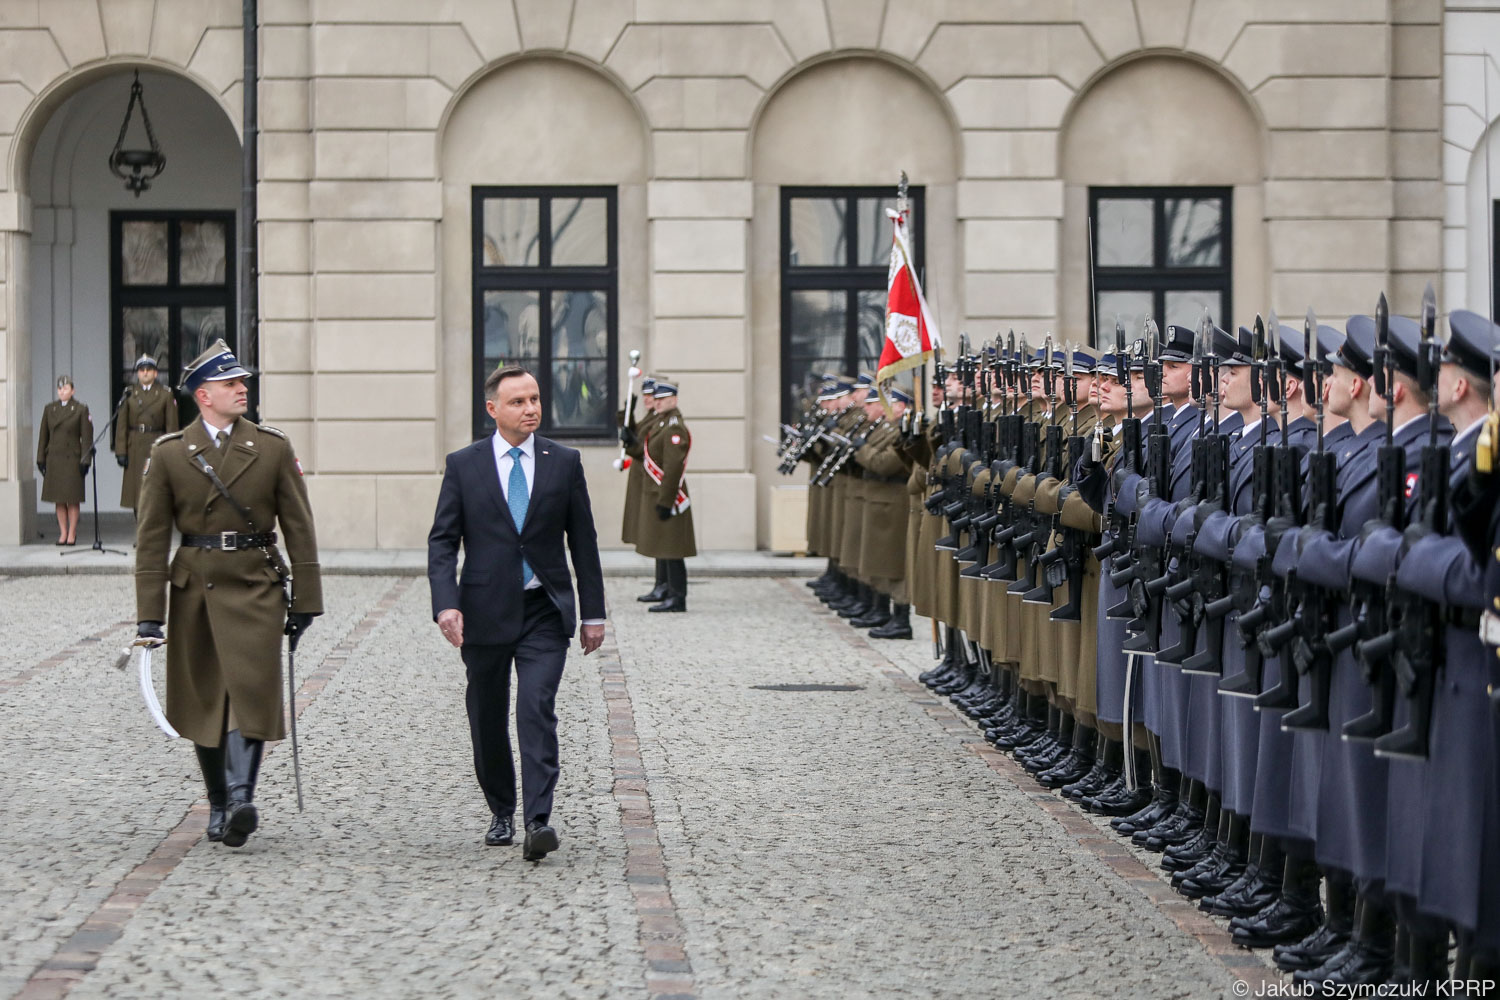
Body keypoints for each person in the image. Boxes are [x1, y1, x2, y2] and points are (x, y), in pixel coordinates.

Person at [134, 339, 322, 849]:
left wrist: (306, 597)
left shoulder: (272, 446)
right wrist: (149, 617)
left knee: (251, 690)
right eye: (231, 383)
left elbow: (299, 527)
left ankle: (241, 798)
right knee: (204, 701)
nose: (243, 389)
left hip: (255, 582)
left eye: (243, 382)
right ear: (203, 395)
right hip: (195, 587)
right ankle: (218, 801)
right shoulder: (170, 453)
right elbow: (151, 541)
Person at [428, 364, 606, 861]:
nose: (530, 409)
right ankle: (502, 810)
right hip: (483, 611)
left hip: (544, 611)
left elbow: (584, 543)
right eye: (518, 402)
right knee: (487, 715)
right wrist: (445, 603)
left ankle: (538, 819)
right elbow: (442, 541)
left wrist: (593, 613)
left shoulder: (563, 461)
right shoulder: (465, 465)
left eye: (534, 399)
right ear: (493, 410)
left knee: (535, 707)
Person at [633, 379, 695, 612]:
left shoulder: (674, 427)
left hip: (670, 495)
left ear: (673, 400)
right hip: (661, 493)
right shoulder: (663, 422)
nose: (656, 403)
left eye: (661, 399)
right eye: (655, 399)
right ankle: (669, 591)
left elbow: (673, 467)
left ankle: (677, 598)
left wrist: (666, 501)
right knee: (666, 545)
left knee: (673, 548)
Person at [114, 355, 179, 512]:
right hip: (135, 446)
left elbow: (172, 426)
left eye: (148, 370)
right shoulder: (129, 393)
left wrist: (172, 451)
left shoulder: (165, 394)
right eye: (141, 370)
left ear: (155, 373)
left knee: (155, 491)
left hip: (156, 444)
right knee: (137, 494)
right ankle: (140, 531)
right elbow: (121, 425)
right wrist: (121, 451)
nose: (145, 373)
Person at [37, 375, 92, 545]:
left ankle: (72, 533)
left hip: (72, 460)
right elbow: (43, 436)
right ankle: (63, 532)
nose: (62, 391)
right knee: (59, 499)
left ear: (72, 390)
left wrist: (85, 460)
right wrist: (41, 459)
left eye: (65, 388)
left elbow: (87, 438)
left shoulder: (80, 409)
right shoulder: (50, 409)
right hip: (54, 458)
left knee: (72, 498)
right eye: (60, 389)